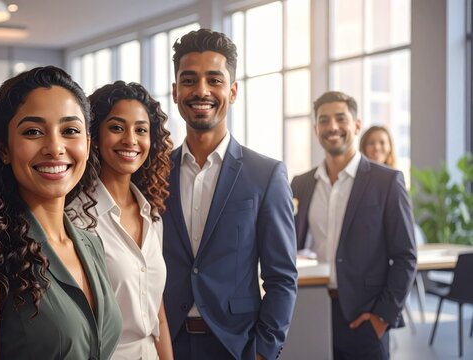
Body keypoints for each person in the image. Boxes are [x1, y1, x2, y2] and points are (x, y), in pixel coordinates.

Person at [0, 66, 122, 359]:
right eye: (33, 131)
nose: (55, 147)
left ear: (87, 143)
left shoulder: (91, 244)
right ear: (4, 150)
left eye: (70, 130)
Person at [162, 28, 298, 360]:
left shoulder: (265, 175)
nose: (202, 91)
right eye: (190, 80)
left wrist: (264, 350)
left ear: (233, 91)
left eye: (214, 80)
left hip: (235, 347)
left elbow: (282, 278)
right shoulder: (154, 174)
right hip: (165, 344)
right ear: (176, 91)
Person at [291, 91, 417, 359]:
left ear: (356, 125)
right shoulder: (301, 183)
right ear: (316, 129)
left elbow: (405, 256)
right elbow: (290, 244)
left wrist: (382, 317)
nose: (332, 127)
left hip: (364, 316)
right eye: (324, 120)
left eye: (340, 118)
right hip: (310, 309)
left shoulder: (387, 182)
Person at [66, 81, 174, 359]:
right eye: (116, 127)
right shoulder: (76, 218)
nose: (130, 139)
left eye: (141, 130)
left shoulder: (153, 214)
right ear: (95, 136)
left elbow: (157, 315)